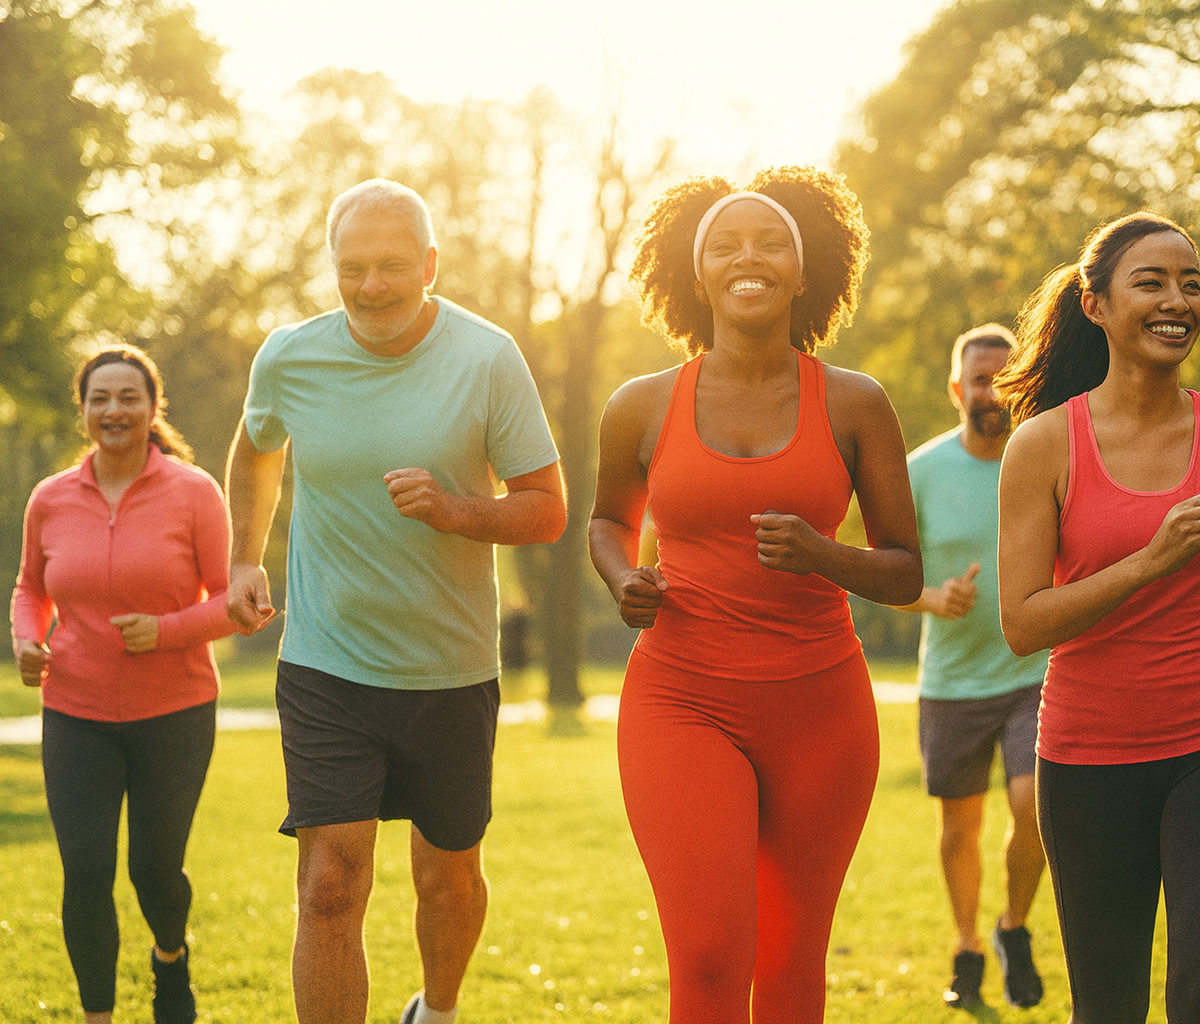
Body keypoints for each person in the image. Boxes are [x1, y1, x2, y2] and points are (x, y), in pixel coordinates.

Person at [224, 178, 566, 1024]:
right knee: (331, 883)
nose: (371, 286)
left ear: (430, 265)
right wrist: (242, 559)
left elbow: (547, 507)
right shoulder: (290, 355)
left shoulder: (487, 358)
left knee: (447, 877)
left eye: (390, 267)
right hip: (326, 663)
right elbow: (256, 450)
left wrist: (456, 510)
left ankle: (438, 1009)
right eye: (352, 268)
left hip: (449, 670)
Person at [589, 167, 923, 1024]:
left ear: (804, 271)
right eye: (725, 245)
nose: (750, 257)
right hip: (682, 698)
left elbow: (904, 568)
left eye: (772, 242)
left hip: (820, 710)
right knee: (706, 960)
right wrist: (627, 579)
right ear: (695, 275)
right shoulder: (640, 406)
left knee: (788, 963)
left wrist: (821, 554)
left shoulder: (854, 403)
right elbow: (604, 522)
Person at [993, 212, 1200, 1023]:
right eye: (1151, 282)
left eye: (1191, 284)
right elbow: (1022, 622)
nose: (1177, 301)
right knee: (1109, 1005)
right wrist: (1147, 563)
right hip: (1089, 757)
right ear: (1095, 306)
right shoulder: (1045, 446)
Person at [11, 345, 236, 1024]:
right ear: (83, 411)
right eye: (100, 398)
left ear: (151, 407)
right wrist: (27, 640)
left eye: (128, 397)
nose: (114, 409)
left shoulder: (195, 492)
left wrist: (166, 631)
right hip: (75, 711)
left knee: (154, 871)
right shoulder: (50, 498)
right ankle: (97, 1016)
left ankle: (170, 955)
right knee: (84, 870)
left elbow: (233, 600)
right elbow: (29, 588)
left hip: (175, 711)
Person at [897, 324, 1049, 1010]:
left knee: (1034, 804)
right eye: (979, 380)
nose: (991, 392)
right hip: (952, 682)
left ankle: (1014, 924)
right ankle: (968, 945)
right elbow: (882, 565)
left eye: (1003, 378)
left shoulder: (1044, 456)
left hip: (1034, 671)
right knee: (960, 829)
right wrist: (932, 596)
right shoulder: (920, 471)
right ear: (957, 389)